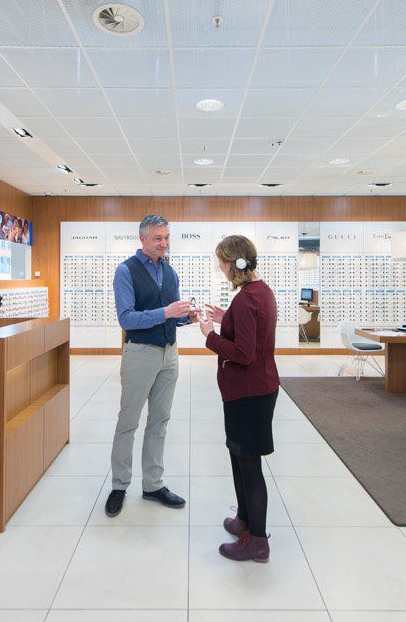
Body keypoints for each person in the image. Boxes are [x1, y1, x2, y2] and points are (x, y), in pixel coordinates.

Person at [105, 215, 194, 517]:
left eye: (167, 237)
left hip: (170, 353)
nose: (164, 243)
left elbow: (173, 316)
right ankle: (119, 485)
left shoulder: (170, 271)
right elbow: (126, 319)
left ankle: (153, 485)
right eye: (158, 238)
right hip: (140, 353)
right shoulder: (125, 271)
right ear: (142, 239)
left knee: (160, 421)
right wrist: (165, 312)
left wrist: (186, 316)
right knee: (128, 421)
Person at [201, 235, 279, 563]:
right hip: (255, 389)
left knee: (249, 464)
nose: (219, 267)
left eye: (221, 262)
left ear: (233, 263)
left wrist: (210, 335)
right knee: (239, 457)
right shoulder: (259, 292)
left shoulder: (246, 300)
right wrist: (227, 318)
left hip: (248, 393)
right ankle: (244, 522)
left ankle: (257, 541)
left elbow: (244, 354)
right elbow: (252, 331)